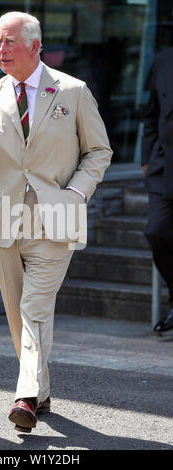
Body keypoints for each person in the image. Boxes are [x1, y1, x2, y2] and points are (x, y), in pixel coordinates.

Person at [0, 11, 112, 433]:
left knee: (35, 310)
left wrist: (75, 193)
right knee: (18, 317)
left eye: (10, 42)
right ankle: (41, 388)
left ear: (35, 46)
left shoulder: (73, 91)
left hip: (56, 219)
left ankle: (24, 397)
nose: (1, 50)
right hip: (5, 222)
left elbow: (99, 152)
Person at [142, 46, 173, 334]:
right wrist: (146, 158)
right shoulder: (163, 60)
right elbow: (151, 114)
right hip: (164, 165)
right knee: (157, 230)